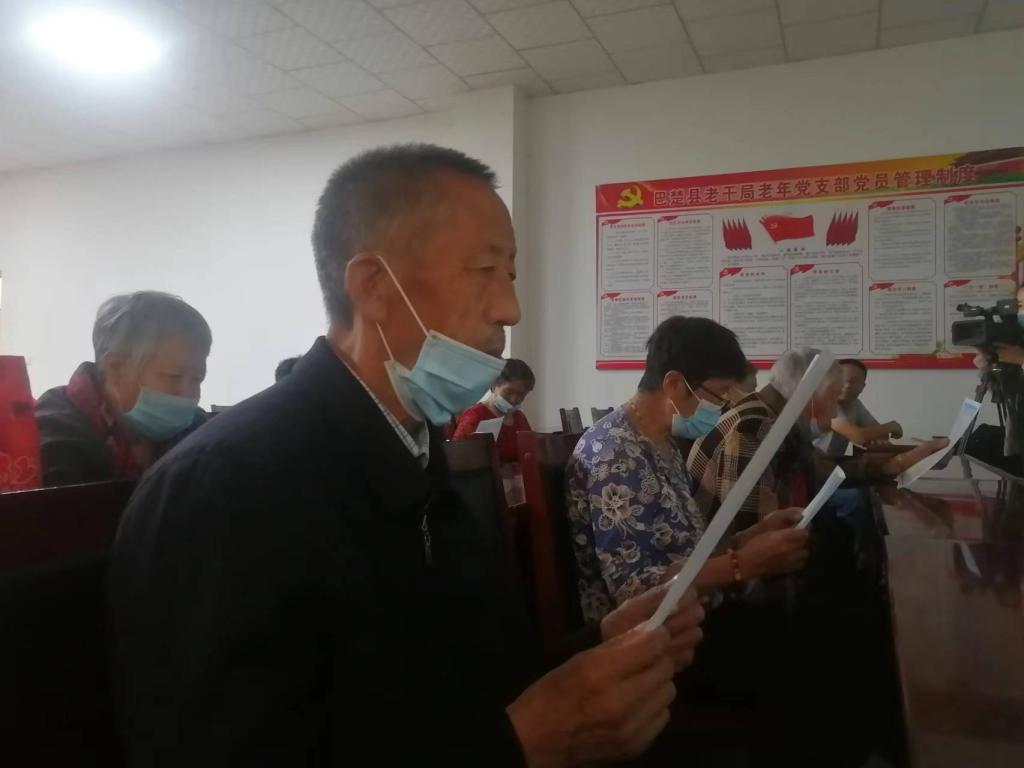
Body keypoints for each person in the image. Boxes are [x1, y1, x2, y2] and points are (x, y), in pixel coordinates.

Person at [109, 145, 705, 766]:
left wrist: (592, 649)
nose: (510, 308)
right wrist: (520, 745)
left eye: (510, 274)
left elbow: (453, 685)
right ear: (374, 287)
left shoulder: (417, 453)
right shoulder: (225, 486)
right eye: (484, 269)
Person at [566, 316, 810, 622]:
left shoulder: (661, 442)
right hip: (655, 635)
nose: (723, 407)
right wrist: (742, 564)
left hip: (692, 612)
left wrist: (751, 537)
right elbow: (635, 590)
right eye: (720, 394)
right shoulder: (613, 453)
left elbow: (688, 551)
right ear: (674, 384)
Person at [688, 348, 948, 527]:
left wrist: (897, 464)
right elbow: (753, 532)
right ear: (808, 394)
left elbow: (822, 467)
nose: (835, 412)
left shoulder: (779, 420)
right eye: (833, 398)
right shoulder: (754, 426)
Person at [34, 291, 210, 487]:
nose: (187, 394)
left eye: (197, 379)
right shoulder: (54, 428)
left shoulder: (199, 429)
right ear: (115, 368)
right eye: (174, 376)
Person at [814, 359, 903, 457]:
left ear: (862, 387)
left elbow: (882, 435)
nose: (847, 385)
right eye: (842, 380)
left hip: (831, 461)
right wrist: (892, 426)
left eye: (854, 382)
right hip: (809, 462)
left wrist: (877, 438)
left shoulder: (855, 404)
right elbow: (859, 437)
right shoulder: (823, 402)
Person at [452, 358, 534, 462]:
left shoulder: (520, 417)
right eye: (508, 392)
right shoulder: (475, 415)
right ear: (494, 384)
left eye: (521, 394)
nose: (514, 399)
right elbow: (456, 458)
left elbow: (530, 451)